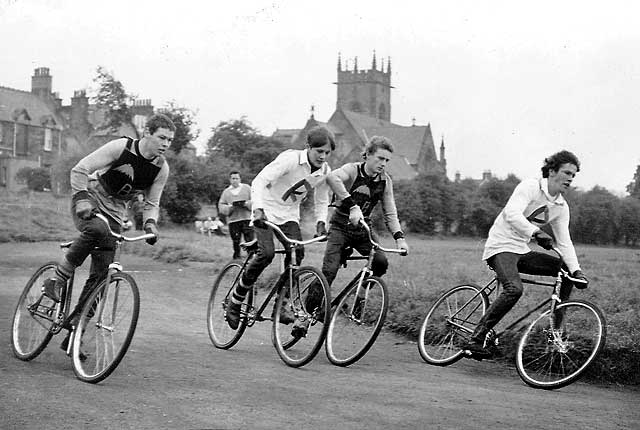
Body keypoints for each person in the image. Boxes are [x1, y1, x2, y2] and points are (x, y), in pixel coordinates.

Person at [41, 113, 175, 352]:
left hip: (115, 214)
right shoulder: (121, 147)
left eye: (169, 141)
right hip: (89, 200)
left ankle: (75, 331)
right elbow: (80, 170)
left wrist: (150, 224)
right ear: (147, 133)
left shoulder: (160, 168)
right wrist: (81, 199)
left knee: (103, 277)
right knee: (97, 228)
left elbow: (152, 203)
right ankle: (57, 280)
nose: (166, 144)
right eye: (162, 137)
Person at [464, 150, 589, 359]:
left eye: (573, 175)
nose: (570, 178)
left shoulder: (561, 207)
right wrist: (535, 232)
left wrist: (577, 270)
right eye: (567, 172)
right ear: (551, 171)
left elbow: (564, 242)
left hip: (521, 250)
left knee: (567, 272)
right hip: (500, 246)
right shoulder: (531, 187)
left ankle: (555, 336)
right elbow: (511, 213)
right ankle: (475, 340)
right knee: (514, 289)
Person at [225, 125, 335, 337]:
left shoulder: (324, 171)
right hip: (265, 209)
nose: (323, 156)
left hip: (289, 215)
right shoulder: (291, 159)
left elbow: (322, 199)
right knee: (265, 254)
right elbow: (260, 181)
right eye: (319, 151)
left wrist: (321, 221)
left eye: (327, 153)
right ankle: (236, 299)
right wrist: (257, 209)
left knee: (297, 253)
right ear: (308, 147)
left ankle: (281, 304)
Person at [307, 136, 409, 317]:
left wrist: (399, 238)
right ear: (368, 155)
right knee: (329, 271)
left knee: (380, 262)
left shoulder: (385, 181)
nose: (383, 163)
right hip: (340, 226)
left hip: (363, 229)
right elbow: (332, 177)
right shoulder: (352, 170)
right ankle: (307, 312)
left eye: (387, 160)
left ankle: (357, 296)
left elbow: (390, 212)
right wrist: (352, 206)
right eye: (380, 158)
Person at [218, 171, 254, 258]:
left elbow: (254, 200)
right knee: (236, 240)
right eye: (233, 178)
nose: (235, 180)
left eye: (237, 178)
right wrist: (229, 208)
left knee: (249, 240)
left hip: (246, 218)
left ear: (240, 179)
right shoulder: (226, 192)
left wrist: (246, 204)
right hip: (233, 220)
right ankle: (237, 257)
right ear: (230, 180)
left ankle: (251, 257)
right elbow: (221, 205)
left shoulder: (247, 188)